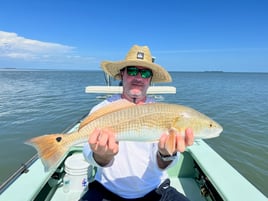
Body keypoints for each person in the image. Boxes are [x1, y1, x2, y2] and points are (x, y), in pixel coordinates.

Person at [80, 45, 194, 201]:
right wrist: (101, 156)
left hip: (156, 190)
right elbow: (87, 152)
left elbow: (165, 164)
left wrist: (166, 154)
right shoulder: (102, 109)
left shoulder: (162, 112)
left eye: (145, 73)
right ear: (122, 75)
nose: (138, 77)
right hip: (107, 189)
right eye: (132, 71)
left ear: (150, 79)